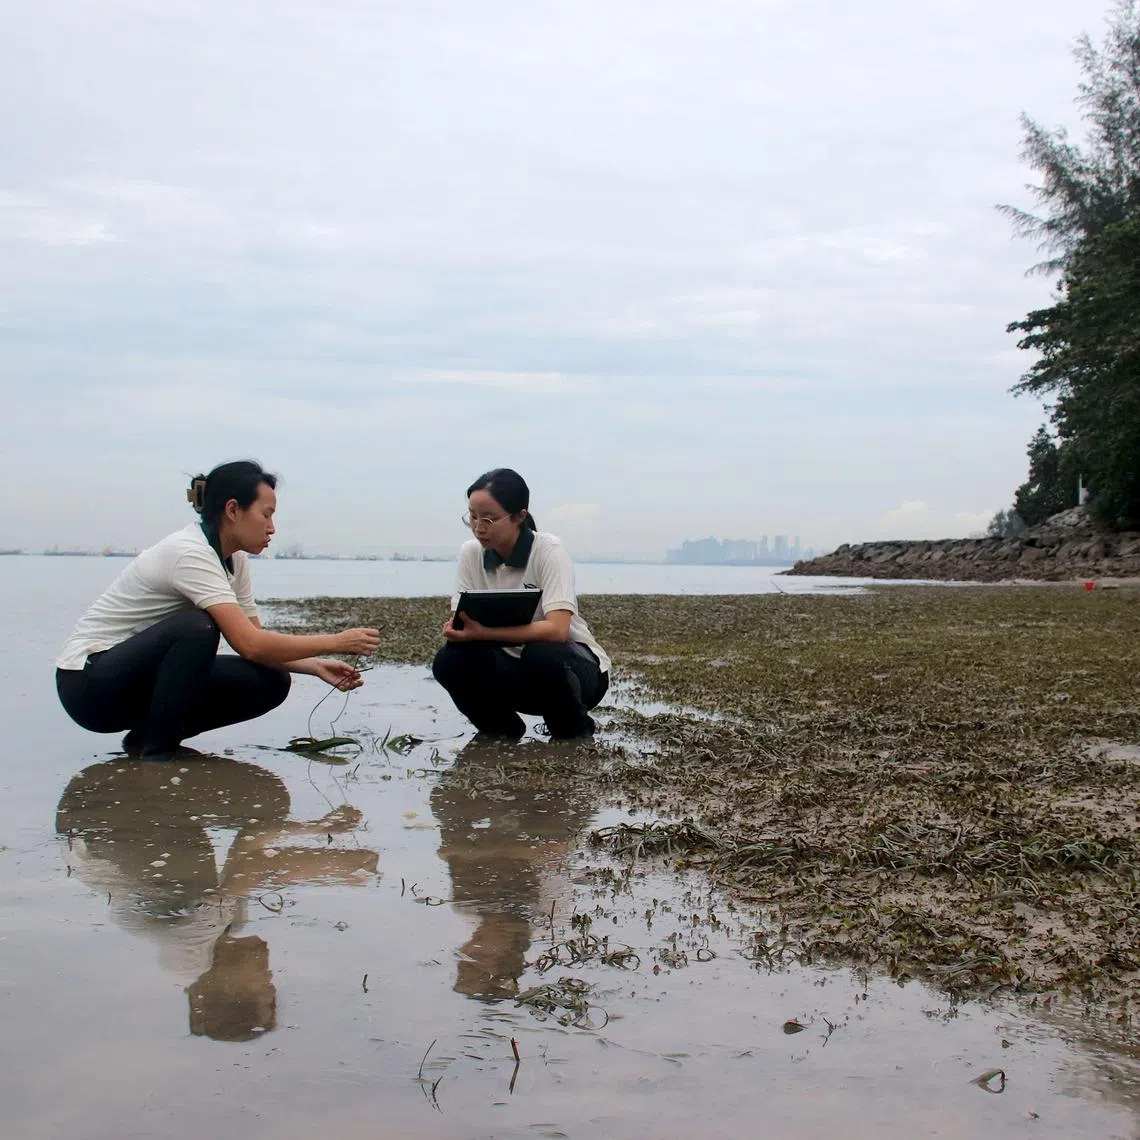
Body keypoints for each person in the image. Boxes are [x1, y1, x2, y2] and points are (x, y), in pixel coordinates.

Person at [55, 460, 381, 760]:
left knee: (271, 680)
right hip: (89, 685)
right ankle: (159, 755)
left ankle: (147, 741)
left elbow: (258, 644)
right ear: (233, 510)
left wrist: (316, 666)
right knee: (197, 628)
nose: (272, 528)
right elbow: (251, 645)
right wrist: (338, 641)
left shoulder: (234, 559)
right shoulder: (190, 553)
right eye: (266, 515)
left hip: (138, 680)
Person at [431, 468, 610, 739]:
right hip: (513, 676)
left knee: (542, 653)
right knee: (449, 660)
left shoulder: (548, 550)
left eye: (489, 519)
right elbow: (463, 619)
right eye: (473, 516)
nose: (479, 527)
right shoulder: (471, 553)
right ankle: (501, 730)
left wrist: (484, 633)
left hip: (574, 673)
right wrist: (458, 630)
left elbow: (558, 630)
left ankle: (573, 735)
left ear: (519, 516)